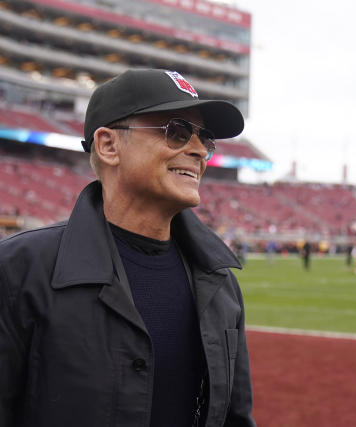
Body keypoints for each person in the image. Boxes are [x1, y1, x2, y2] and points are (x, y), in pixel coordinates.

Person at [0, 69, 256, 427]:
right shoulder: (17, 270)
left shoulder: (219, 283)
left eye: (205, 138)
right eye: (177, 131)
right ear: (108, 145)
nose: (199, 150)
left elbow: (234, 418)